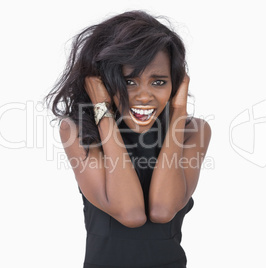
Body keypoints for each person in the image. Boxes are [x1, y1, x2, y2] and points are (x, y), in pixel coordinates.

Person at [44, 10, 211, 268]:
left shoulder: (193, 131)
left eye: (158, 82)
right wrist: (102, 108)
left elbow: (163, 209)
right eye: (129, 81)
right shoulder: (77, 130)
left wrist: (178, 113)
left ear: (175, 85)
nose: (144, 96)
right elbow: (129, 212)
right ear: (103, 81)